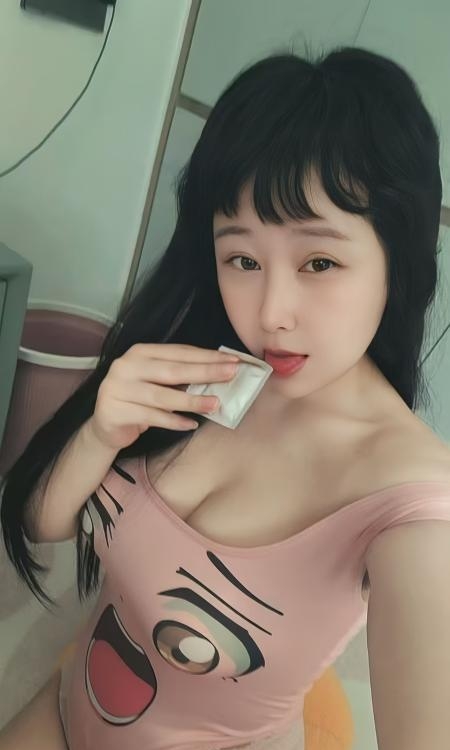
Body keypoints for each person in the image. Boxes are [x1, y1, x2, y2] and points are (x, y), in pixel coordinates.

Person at [1, 44, 450, 750]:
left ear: (399, 262)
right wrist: (98, 434)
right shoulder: (206, 362)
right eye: (242, 258)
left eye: (320, 261)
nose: (270, 313)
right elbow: (41, 523)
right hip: (62, 709)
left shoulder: (414, 512)